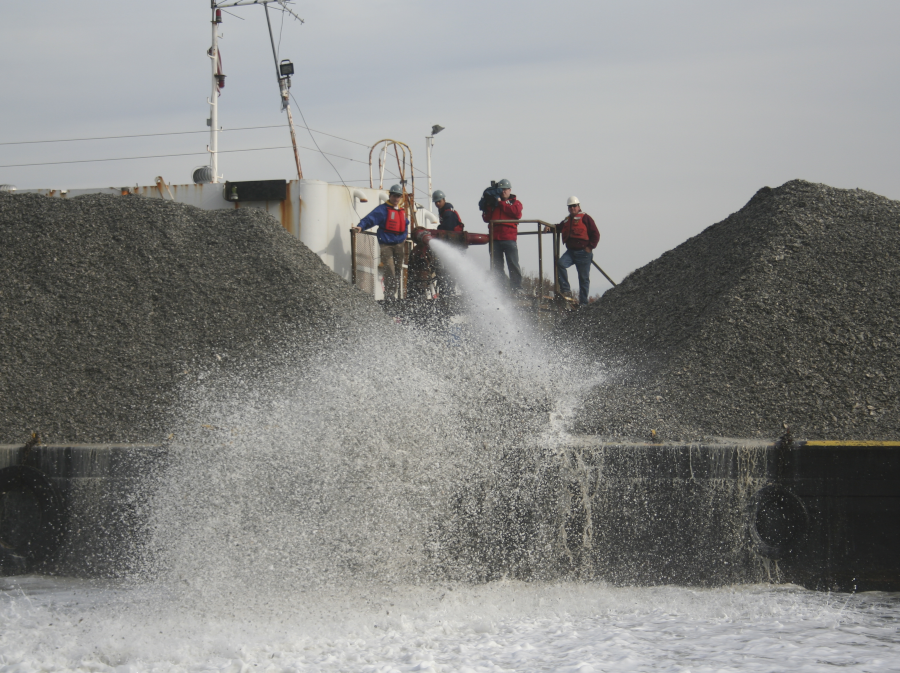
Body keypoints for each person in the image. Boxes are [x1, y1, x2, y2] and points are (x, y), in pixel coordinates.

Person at [353, 184, 409, 301]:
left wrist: (404, 237)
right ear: (390, 196)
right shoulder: (383, 210)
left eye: (398, 196)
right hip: (386, 244)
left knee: (398, 270)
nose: (396, 198)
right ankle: (389, 295)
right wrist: (360, 227)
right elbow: (370, 219)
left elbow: (405, 224)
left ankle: (395, 294)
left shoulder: (401, 211)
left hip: (399, 245)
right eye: (394, 196)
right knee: (390, 269)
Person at [481, 178, 524, 290]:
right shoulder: (495, 204)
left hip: (509, 238)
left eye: (505, 189)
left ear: (510, 190)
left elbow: (516, 212)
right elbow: (487, 218)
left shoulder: (516, 203)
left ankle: (516, 288)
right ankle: (500, 289)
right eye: (501, 189)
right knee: (496, 266)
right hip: (495, 239)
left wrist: (500, 203)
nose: (503, 191)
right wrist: (486, 207)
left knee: (513, 265)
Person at [556, 195, 600, 306]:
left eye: (574, 206)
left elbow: (596, 234)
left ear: (578, 206)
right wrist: (550, 227)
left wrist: (590, 247)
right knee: (561, 264)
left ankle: (583, 304)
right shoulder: (567, 220)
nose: (572, 208)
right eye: (570, 206)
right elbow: (559, 227)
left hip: (583, 253)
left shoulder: (586, 218)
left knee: (583, 278)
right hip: (571, 252)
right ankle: (566, 289)